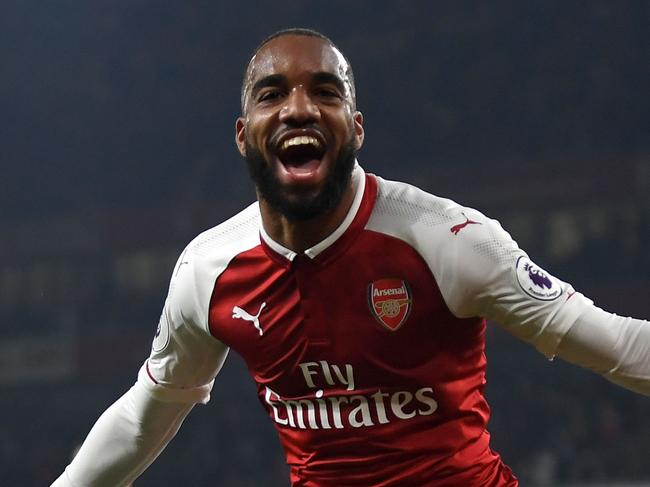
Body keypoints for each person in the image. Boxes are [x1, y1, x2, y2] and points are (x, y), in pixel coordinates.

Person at [52, 28, 650, 487]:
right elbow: (141, 420)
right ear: (243, 134)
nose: (298, 108)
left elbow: (619, 348)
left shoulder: (447, 239)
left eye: (324, 91)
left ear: (355, 127)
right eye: (272, 93)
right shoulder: (208, 272)